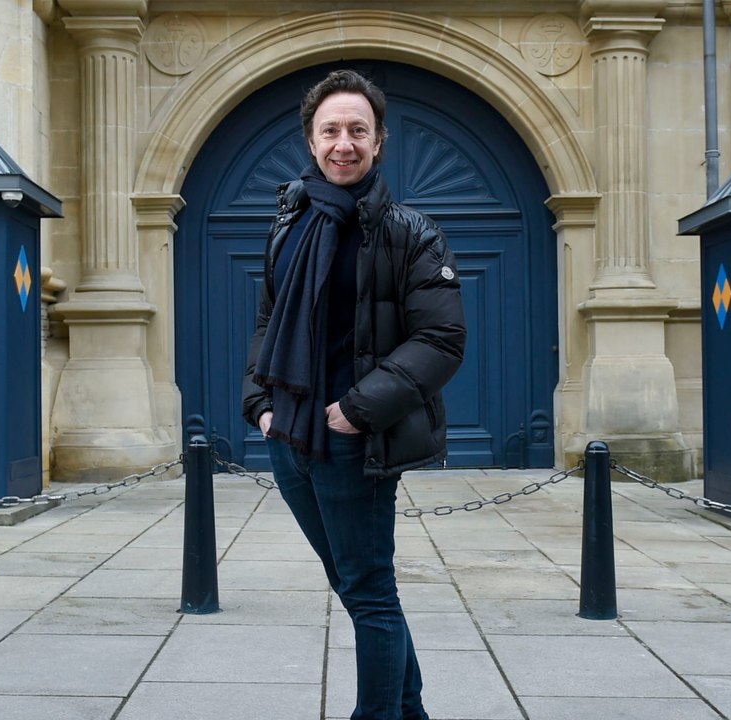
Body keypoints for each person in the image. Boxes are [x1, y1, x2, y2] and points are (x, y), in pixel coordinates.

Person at [242, 69, 466, 720]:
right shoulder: (289, 223)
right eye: (331, 130)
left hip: (352, 440)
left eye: (358, 131)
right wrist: (260, 404)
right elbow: (268, 321)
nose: (344, 143)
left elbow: (441, 339)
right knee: (356, 586)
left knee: (368, 592)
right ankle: (409, 710)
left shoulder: (410, 232)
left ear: (379, 141)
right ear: (311, 142)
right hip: (290, 438)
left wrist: (357, 411)